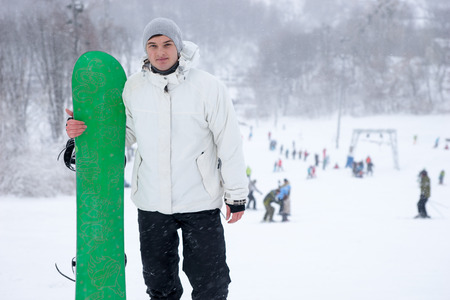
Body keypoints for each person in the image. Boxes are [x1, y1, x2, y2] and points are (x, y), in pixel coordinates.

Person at [65, 17, 248, 300]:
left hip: (200, 202)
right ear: (145, 50)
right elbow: (122, 136)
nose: (160, 52)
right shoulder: (134, 88)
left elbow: (230, 142)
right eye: (152, 45)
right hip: (152, 204)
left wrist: (236, 194)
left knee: (211, 285)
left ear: (178, 47)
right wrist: (83, 135)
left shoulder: (208, 87)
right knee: (160, 286)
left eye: (166, 44)